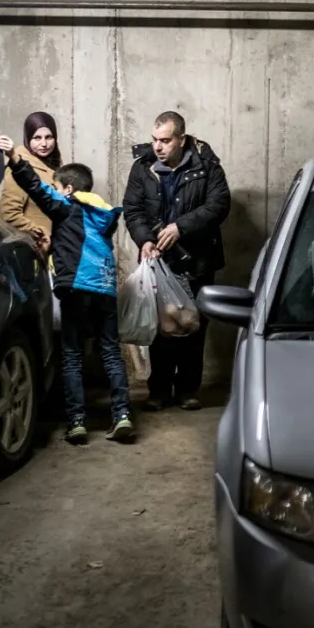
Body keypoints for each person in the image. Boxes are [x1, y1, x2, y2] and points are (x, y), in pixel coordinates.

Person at [0, 135, 135, 444]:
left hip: (76, 287)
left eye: (57, 187)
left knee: (71, 355)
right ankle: (122, 415)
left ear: (69, 190)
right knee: (110, 351)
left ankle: (77, 422)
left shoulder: (66, 207)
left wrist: (16, 159)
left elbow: (35, 186)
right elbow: (76, 242)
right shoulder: (100, 215)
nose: (54, 191)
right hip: (104, 288)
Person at [122, 111, 231, 412]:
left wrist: (181, 227)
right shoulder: (143, 168)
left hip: (198, 260)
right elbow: (132, 209)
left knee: (193, 327)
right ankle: (158, 391)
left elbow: (219, 205)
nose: (158, 146)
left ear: (181, 140)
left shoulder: (207, 165)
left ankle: (187, 391)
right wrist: (145, 239)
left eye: (166, 140)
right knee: (160, 328)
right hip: (160, 261)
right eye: (155, 140)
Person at [0, 111, 63, 255]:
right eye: (37, 138)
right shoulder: (19, 167)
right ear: (28, 139)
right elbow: (7, 214)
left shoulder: (53, 164)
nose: (44, 144)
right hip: (34, 251)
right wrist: (40, 233)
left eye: (49, 137)